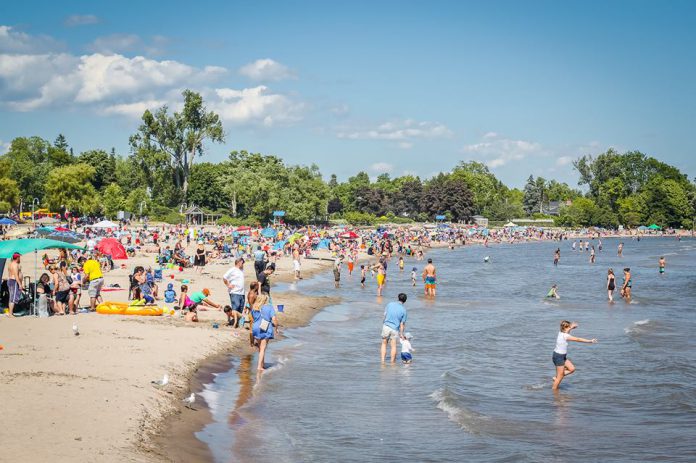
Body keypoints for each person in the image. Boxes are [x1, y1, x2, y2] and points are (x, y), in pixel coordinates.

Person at [552, 320, 597, 390]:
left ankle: (556, 377)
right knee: (560, 377)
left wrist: (571, 327)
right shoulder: (566, 336)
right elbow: (578, 339)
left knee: (572, 369)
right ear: (566, 327)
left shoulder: (560, 332)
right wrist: (590, 341)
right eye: (569, 327)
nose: (570, 329)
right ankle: (554, 391)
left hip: (561, 356)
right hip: (558, 356)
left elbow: (567, 329)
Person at [251, 293, 278, 371]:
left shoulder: (254, 308)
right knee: (263, 348)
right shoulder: (269, 307)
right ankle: (259, 366)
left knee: (260, 347)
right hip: (265, 328)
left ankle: (262, 364)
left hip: (255, 327)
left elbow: (253, 318)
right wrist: (276, 328)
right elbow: (274, 319)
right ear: (266, 300)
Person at [380, 293, 408, 364]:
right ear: (405, 301)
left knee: (384, 344)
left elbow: (384, 315)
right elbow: (402, 324)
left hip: (386, 326)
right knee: (393, 346)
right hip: (395, 329)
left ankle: (383, 361)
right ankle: (392, 362)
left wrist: (384, 323)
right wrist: (401, 334)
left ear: (398, 298)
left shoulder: (390, 304)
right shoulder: (404, 310)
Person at [223, 258, 245, 328]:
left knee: (240, 309)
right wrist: (228, 285)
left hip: (242, 292)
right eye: (242, 263)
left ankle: (237, 322)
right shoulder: (232, 269)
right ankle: (233, 323)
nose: (243, 264)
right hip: (234, 292)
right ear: (239, 262)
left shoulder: (241, 270)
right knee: (236, 307)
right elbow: (224, 277)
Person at [7, 253, 23, 317]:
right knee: (13, 298)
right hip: (14, 281)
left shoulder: (10, 264)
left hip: (10, 281)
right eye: (19, 257)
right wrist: (20, 284)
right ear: (17, 258)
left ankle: (10, 312)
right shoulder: (15, 265)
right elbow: (16, 275)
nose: (20, 259)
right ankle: (10, 313)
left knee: (11, 297)